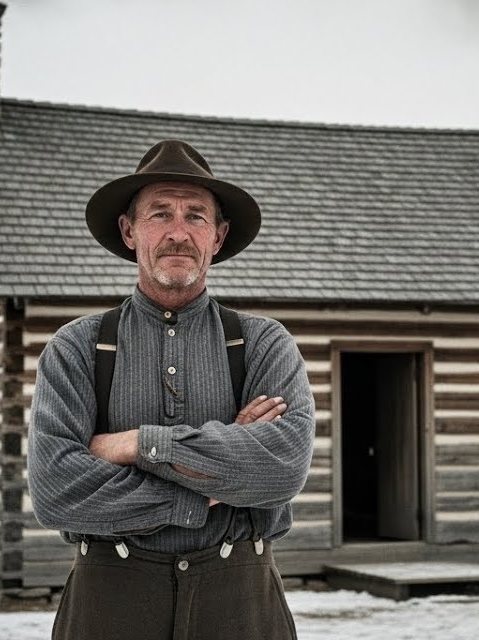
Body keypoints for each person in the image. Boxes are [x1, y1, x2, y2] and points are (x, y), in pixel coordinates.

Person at [28, 139, 314, 640]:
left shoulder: (265, 343)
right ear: (129, 231)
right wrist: (212, 482)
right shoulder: (77, 347)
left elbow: (282, 468)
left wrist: (135, 444)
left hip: (241, 603)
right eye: (160, 213)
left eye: (196, 216)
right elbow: (56, 491)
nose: (178, 232)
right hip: (108, 603)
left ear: (218, 237)